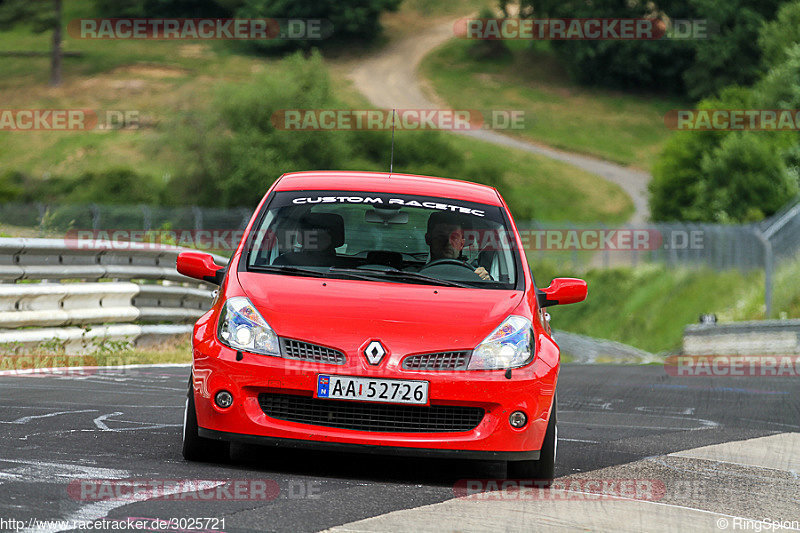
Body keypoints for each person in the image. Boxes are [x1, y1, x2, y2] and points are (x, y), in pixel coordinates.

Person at [425, 212, 491, 280]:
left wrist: (486, 281)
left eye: (454, 237)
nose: (448, 242)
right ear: (428, 239)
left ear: (462, 244)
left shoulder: (475, 274)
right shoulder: (414, 275)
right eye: (441, 236)